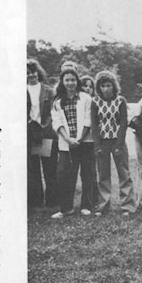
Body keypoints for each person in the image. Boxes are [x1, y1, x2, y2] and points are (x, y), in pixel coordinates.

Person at [90, 70, 137, 216]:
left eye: (108, 85)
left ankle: (128, 206)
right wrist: (97, 145)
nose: (106, 89)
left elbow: (123, 123)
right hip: (102, 142)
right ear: (99, 87)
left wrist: (119, 144)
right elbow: (94, 123)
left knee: (124, 173)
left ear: (113, 86)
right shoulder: (95, 101)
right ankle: (103, 206)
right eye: (103, 86)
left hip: (117, 141)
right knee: (103, 174)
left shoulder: (120, 101)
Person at [50, 66, 93, 219]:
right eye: (67, 80)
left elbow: (89, 119)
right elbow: (57, 122)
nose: (70, 83)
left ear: (77, 81)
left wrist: (80, 139)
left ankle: (86, 206)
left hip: (85, 142)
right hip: (66, 144)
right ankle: (66, 208)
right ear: (62, 82)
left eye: (73, 80)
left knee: (87, 174)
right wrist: (68, 139)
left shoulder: (85, 98)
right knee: (64, 175)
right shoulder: (57, 101)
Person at [27, 58, 58, 211]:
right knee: (33, 170)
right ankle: (36, 202)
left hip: (46, 132)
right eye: (27, 73)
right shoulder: (20, 91)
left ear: (38, 72)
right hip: (29, 134)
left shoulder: (48, 90)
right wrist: (30, 125)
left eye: (33, 72)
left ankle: (52, 201)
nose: (31, 75)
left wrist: (43, 126)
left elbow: (53, 112)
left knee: (49, 168)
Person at [78, 73, 99, 215]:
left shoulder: (95, 102)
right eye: (85, 85)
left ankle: (92, 200)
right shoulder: (78, 102)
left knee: (90, 173)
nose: (87, 88)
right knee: (83, 173)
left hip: (91, 141)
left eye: (90, 86)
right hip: (78, 140)